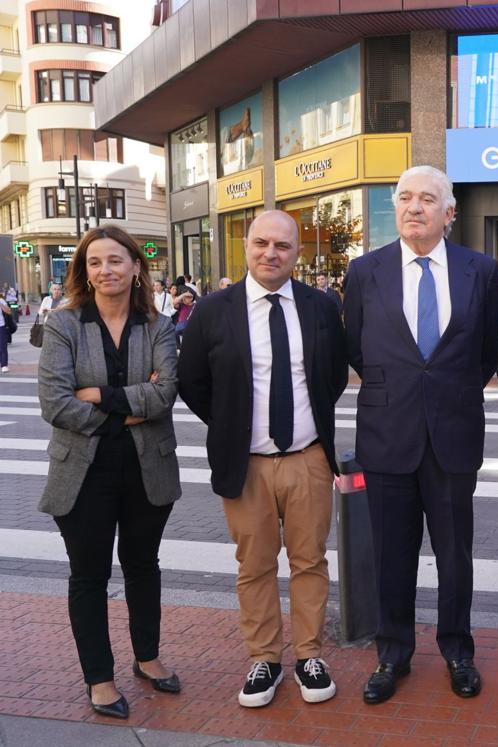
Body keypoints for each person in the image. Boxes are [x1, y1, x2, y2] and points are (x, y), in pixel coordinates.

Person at [344, 166, 498, 705]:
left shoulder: (480, 270)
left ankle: (458, 649)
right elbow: (356, 350)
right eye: (406, 198)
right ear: (395, 207)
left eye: (428, 199)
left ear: (449, 212)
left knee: (455, 554)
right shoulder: (364, 272)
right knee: (392, 554)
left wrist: (445, 392)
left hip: (454, 436)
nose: (415, 207)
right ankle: (393, 653)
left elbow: (486, 354)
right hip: (388, 438)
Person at [178, 211, 348, 708]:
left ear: (298, 253)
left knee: (309, 561)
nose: (271, 253)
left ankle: (309, 656)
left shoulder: (320, 306)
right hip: (245, 462)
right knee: (253, 565)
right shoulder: (213, 310)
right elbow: (192, 382)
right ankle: (264, 660)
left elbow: (333, 376)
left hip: (308, 459)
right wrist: (231, 425)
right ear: (247, 247)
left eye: (283, 246)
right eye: (261, 244)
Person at [37, 225, 182, 720]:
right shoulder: (64, 324)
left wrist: (97, 395)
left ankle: (148, 657)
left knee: (144, 567)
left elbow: (164, 397)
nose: (106, 270)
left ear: (136, 267)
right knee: (89, 576)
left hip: (147, 469)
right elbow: (55, 403)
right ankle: (99, 678)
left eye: (116, 260)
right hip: (84, 470)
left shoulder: (158, 326)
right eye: (95, 262)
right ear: (84, 270)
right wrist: (128, 408)